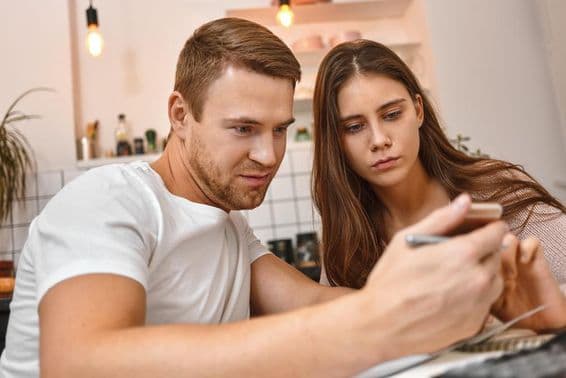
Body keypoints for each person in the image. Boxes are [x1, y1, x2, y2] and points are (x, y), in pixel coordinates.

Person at [0, 19, 523, 378]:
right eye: (244, 128)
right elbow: (79, 363)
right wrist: (372, 324)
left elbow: (312, 302)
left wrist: (444, 302)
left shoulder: (228, 228)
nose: (268, 154)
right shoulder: (108, 201)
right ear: (180, 115)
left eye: (279, 130)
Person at [312, 39, 566, 330]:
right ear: (336, 141)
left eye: (392, 115)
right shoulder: (347, 238)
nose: (380, 140)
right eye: (355, 127)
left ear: (418, 111)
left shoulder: (493, 191)